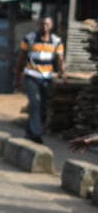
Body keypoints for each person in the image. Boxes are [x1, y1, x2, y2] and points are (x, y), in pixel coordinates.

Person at [15, 16, 66, 144]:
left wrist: (62, 72)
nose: (45, 27)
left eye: (47, 25)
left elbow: (60, 59)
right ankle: (36, 134)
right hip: (32, 75)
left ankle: (30, 131)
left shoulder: (56, 41)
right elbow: (21, 58)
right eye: (43, 24)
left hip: (46, 77)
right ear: (39, 25)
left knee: (42, 105)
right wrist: (18, 76)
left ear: (52, 26)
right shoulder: (30, 38)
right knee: (35, 103)